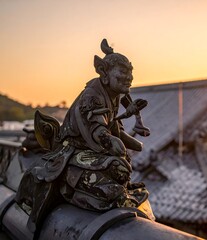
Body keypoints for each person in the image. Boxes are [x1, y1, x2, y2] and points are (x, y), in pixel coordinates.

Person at [16, 39, 153, 232]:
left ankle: (110, 187)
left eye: (130, 72)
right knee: (118, 168)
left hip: (94, 151)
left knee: (121, 165)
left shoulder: (113, 97)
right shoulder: (92, 96)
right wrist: (117, 145)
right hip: (72, 152)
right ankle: (72, 186)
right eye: (123, 72)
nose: (129, 77)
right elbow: (100, 132)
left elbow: (115, 129)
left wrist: (134, 144)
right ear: (104, 73)